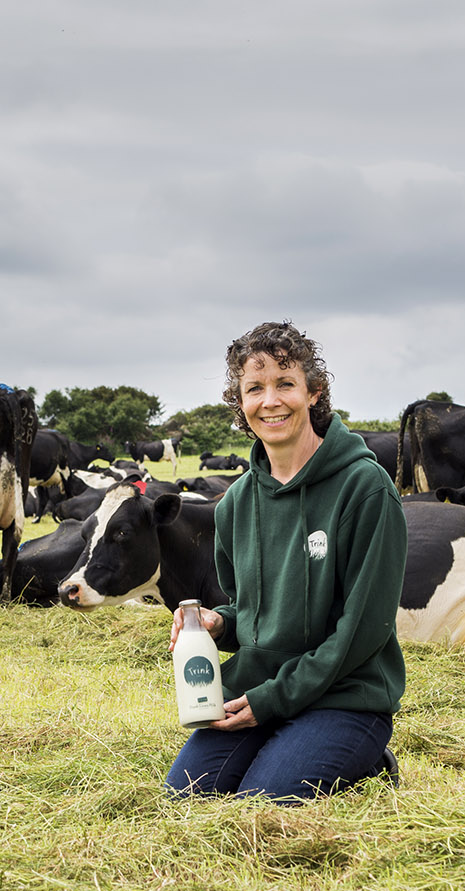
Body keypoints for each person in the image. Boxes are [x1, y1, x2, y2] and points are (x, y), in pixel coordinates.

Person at [166, 321, 406, 802]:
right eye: (255, 388)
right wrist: (219, 624)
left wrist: (270, 700)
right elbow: (254, 611)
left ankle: (364, 757)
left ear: (314, 392)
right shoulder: (235, 503)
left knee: (262, 806)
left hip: (344, 696)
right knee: (186, 798)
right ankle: (292, 750)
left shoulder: (365, 489)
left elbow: (361, 630)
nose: (270, 400)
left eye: (285, 384)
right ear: (241, 404)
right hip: (260, 693)